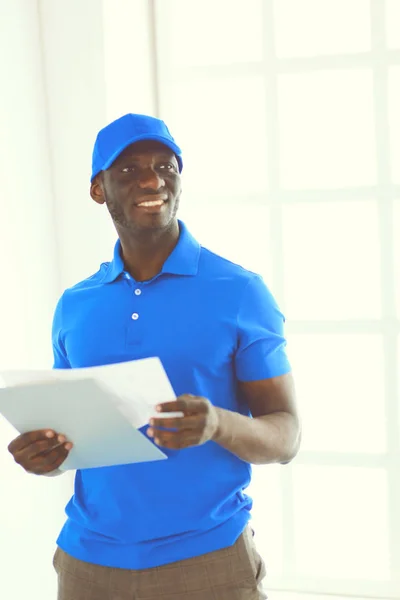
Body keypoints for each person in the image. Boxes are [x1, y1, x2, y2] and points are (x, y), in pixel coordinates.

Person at [7, 113, 301, 600]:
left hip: (208, 560)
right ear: (98, 190)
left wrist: (218, 424)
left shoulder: (240, 292)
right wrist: (46, 455)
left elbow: (286, 435)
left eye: (167, 166)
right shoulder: (75, 305)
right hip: (87, 565)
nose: (152, 180)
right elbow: (72, 436)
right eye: (128, 170)